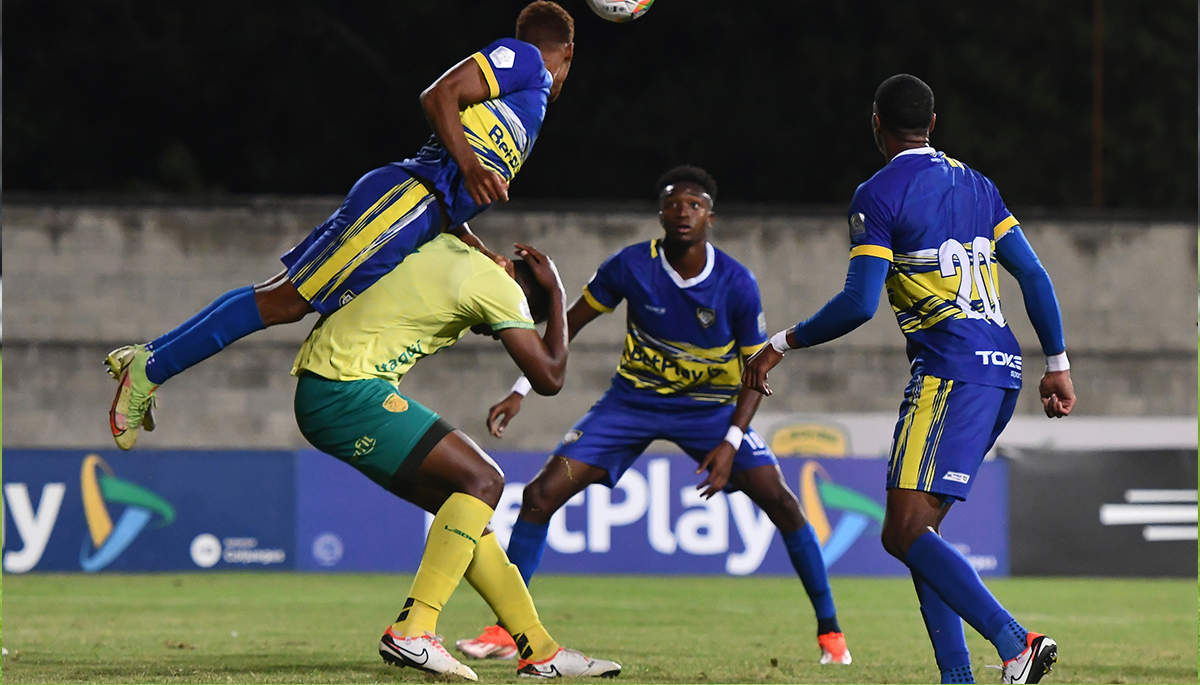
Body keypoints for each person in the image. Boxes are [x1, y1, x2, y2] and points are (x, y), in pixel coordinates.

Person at [107, 0, 576, 450]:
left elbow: (450, 187)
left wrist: (479, 246)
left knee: (279, 294)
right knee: (284, 302)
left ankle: (149, 359)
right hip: (400, 204)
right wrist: (472, 167)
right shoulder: (526, 61)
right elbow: (438, 96)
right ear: (567, 54)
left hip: (412, 210)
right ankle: (150, 368)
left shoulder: (526, 105)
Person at [743, 74, 1075, 685]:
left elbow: (858, 303)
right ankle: (958, 678)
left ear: (876, 123)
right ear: (933, 123)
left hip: (950, 370)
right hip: (1001, 371)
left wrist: (779, 343)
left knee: (901, 531)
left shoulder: (878, 194)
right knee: (921, 531)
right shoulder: (978, 185)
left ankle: (1016, 642)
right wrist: (1057, 365)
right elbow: (1033, 275)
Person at [456, 166, 853, 667]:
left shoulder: (736, 283)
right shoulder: (630, 266)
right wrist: (520, 390)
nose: (683, 211)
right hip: (631, 404)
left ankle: (831, 634)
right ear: (661, 214)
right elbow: (569, 325)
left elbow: (755, 370)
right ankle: (504, 630)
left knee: (784, 503)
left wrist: (731, 442)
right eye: (673, 203)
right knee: (538, 497)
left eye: (695, 204)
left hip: (710, 411)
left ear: (710, 217)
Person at [291, 230, 620, 679]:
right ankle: (412, 630)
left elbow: (447, 215)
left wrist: (480, 243)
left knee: (467, 515)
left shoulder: (457, 248)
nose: (497, 336)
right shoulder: (499, 286)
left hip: (329, 386)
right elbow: (550, 377)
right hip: (344, 389)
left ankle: (540, 650)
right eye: (521, 322)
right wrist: (558, 293)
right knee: (484, 480)